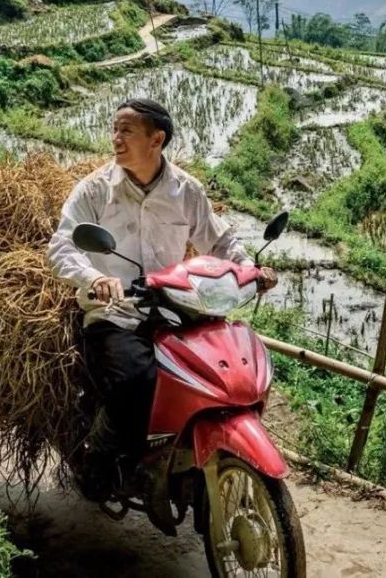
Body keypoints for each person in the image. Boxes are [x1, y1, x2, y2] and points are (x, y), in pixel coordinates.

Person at [47, 97, 277, 495]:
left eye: (127, 131)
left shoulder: (185, 190)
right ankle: (100, 458)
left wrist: (249, 269)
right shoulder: (95, 190)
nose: (116, 139)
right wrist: (93, 278)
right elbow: (62, 247)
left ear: (157, 139)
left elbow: (218, 239)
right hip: (117, 312)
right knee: (134, 379)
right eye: (114, 130)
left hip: (178, 308)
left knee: (223, 368)